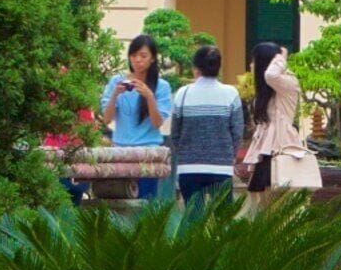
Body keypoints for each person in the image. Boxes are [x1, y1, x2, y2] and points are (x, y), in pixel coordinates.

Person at [162, 39, 244, 207]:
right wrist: (228, 154)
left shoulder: (182, 94)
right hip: (221, 168)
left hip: (189, 168)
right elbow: (237, 133)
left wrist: (186, 153)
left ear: (196, 69)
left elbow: (175, 133)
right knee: (222, 220)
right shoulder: (231, 94)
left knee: (193, 220)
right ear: (218, 67)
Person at [242, 38, 321, 200]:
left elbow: (271, 75)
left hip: (282, 148)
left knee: (280, 202)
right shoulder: (266, 92)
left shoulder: (287, 83)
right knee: (261, 203)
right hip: (266, 152)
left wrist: (280, 57)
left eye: (254, 61)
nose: (251, 65)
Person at [99, 34, 172, 203]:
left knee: (146, 202)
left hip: (148, 152)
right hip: (121, 151)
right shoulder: (116, 81)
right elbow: (107, 119)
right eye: (133, 56)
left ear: (152, 59)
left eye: (143, 56)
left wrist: (149, 96)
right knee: (120, 202)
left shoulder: (161, 86)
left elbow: (157, 122)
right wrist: (115, 94)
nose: (138, 60)